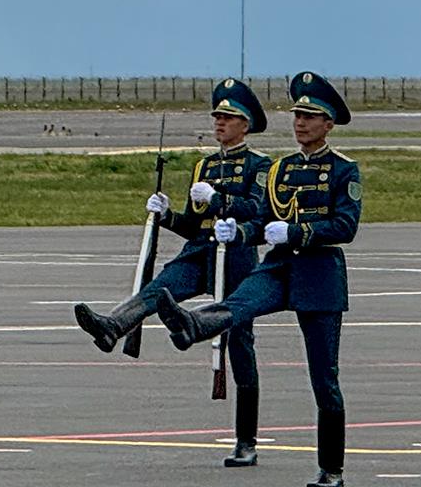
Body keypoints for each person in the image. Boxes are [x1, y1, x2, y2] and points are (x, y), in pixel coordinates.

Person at [156, 73, 362, 487]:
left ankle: (331, 469)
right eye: (298, 116)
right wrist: (241, 232)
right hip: (280, 265)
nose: (300, 123)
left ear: (328, 124)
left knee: (324, 377)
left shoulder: (343, 170)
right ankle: (195, 325)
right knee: (240, 302)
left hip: (320, 273)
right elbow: (265, 218)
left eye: (310, 116)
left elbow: (346, 225)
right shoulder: (281, 170)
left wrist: (299, 232)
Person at [73, 77, 272, 465]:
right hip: (199, 252)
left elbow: (258, 212)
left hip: (234, 254)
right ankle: (113, 326)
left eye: (228, 118)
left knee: (239, 341)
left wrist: (222, 200)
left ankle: (246, 441)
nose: (219, 123)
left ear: (245, 124)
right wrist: (167, 216)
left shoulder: (259, 166)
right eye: (217, 116)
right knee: (157, 289)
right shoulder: (205, 165)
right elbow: (192, 224)